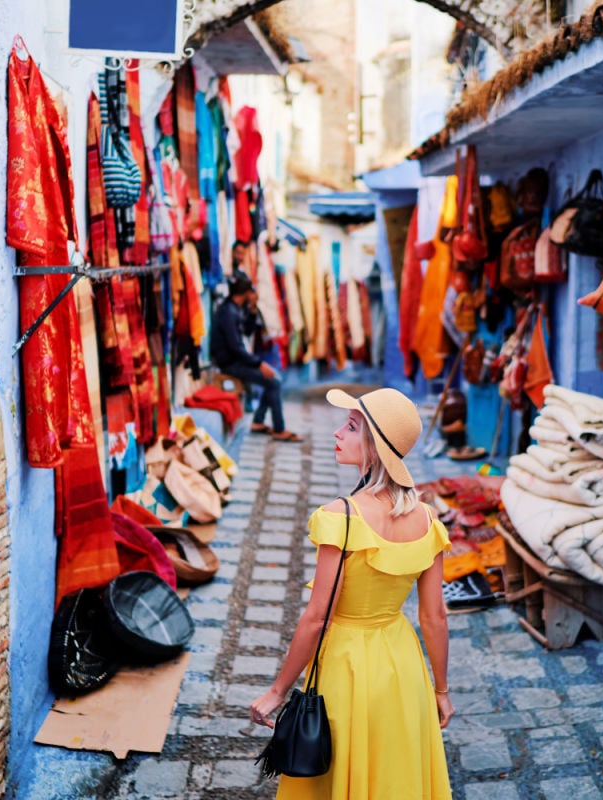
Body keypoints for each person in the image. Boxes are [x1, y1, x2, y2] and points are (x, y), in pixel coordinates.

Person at [250, 387, 454, 798]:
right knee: (393, 774)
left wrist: (277, 691)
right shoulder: (429, 520)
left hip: (347, 665)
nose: (338, 433)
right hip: (402, 665)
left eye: (352, 426)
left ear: (376, 447)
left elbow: (316, 618)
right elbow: (434, 617)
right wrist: (441, 690)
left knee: (342, 770)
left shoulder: (341, 517)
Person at [210, 270, 302, 442]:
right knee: (273, 382)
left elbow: (247, 330)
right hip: (230, 363)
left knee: (273, 381)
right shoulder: (228, 312)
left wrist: (252, 310)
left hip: (235, 360)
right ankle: (279, 428)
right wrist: (258, 364)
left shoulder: (233, 309)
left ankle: (258, 422)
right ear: (246, 293)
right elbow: (236, 347)